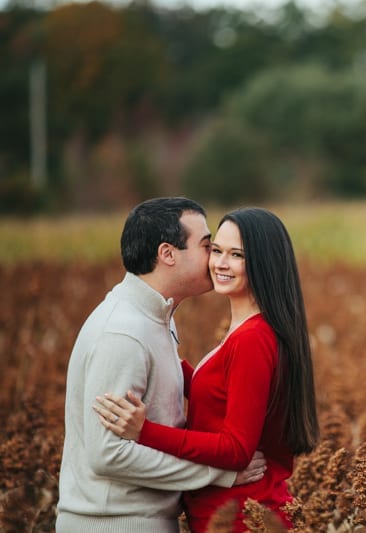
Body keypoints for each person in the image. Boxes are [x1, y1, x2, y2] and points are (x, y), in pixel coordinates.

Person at [94, 207, 320, 531]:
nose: (220, 263)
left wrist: (144, 432)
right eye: (216, 250)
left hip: (242, 518)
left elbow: (236, 450)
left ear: (263, 263)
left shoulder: (252, 339)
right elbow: (215, 390)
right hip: (233, 513)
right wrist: (158, 347)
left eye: (236, 255)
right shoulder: (250, 330)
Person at [57, 198, 267, 533]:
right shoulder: (123, 333)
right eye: (207, 246)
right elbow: (108, 454)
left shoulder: (156, 319)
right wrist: (216, 474)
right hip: (114, 524)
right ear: (167, 254)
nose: (214, 259)